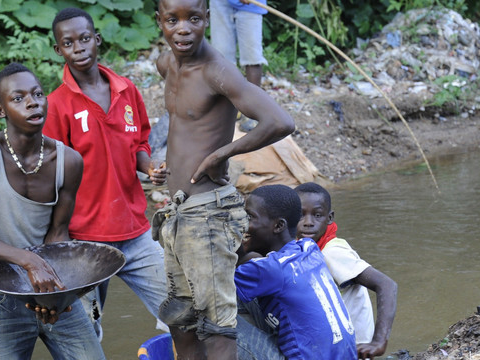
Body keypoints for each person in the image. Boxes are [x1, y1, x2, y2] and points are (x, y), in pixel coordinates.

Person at [152, 0, 295, 357]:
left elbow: (279, 121)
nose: (183, 29)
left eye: (194, 19)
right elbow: (187, 128)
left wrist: (221, 153)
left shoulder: (217, 70)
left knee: (216, 326)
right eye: (174, 20)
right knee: (181, 320)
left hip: (210, 213)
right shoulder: (166, 63)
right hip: (178, 213)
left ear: (207, 20)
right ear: (160, 22)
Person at [0, 62, 104, 359]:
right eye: (18, 98)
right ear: (2, 111)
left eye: (37, 94)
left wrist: (56, 296)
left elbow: (58, 231)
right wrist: (28, 261)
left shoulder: (68, 161)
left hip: (49, 285)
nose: (32, 102)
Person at [44, 7, 168, 338]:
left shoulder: (127, 90)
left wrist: (149, 166)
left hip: (136, 232)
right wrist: (59, 239)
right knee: (85, 332)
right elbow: (52, 174)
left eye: (85, 38)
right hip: (85, 240)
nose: (79, 47)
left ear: (97, 39)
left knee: (180, 311)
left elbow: (140, 142)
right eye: (68, 43)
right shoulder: (56, 105)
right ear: (59, 50)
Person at [235, 185, 357, 359]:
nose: (243, 223)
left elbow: (215, 286)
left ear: (278, 226)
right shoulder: (309, 248)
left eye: (250, 217)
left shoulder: (271, 270)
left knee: (209, 308)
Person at [295, 182, 398, 359]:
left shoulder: (332, 252)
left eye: (317, 215)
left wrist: (379, 342)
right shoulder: (306, 250)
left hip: (352, 351)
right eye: (300, 215)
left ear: (330, 217)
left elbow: (387, 285)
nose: (308, 223)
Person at [209, 0, 267, 88]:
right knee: (221, 54)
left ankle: (254, 99)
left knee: (252, 55)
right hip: (220, 3)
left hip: (252, 4)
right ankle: (225, 98)